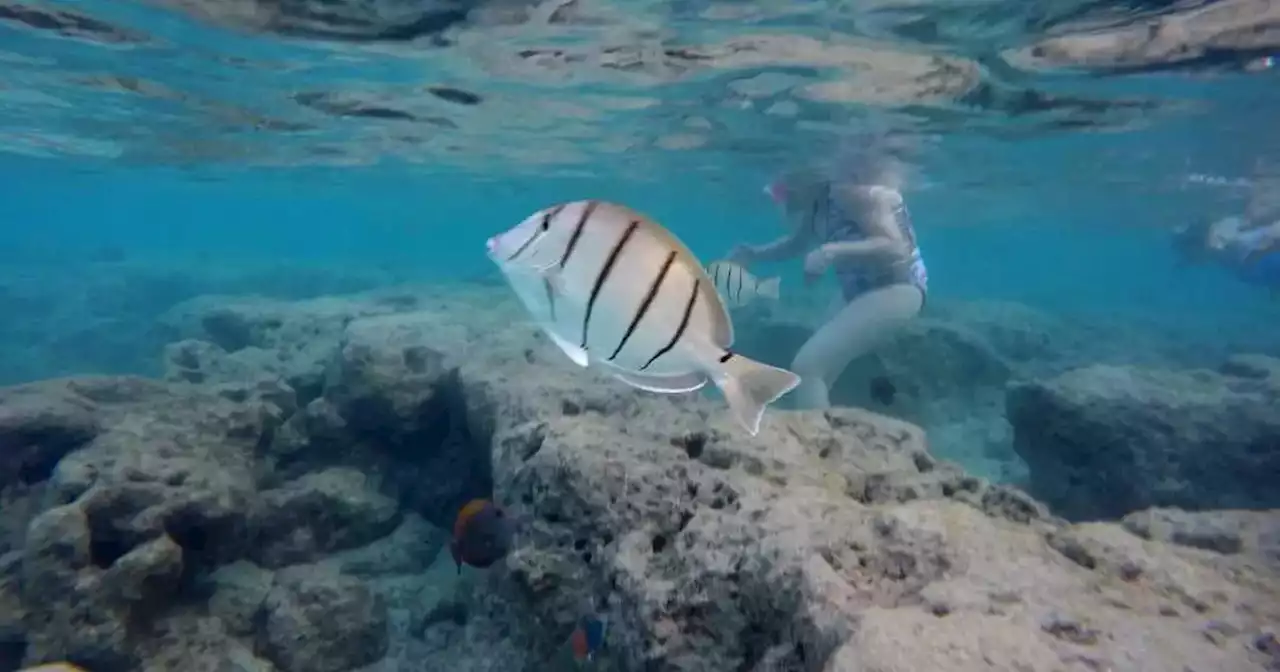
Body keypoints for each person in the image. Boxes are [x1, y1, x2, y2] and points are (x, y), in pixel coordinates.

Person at [726, 155, 928, 409]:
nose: (781, 200)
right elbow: (796, 244)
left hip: (896, 288)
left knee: (809, 365)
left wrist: (831, 250)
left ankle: (815, 440)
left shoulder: (852, 194)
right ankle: (821, 429)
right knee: (820, 365)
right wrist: (754, 253)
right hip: (858, 292)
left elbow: (896, 246)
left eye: (781, 191)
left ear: (802, 180)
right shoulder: (817, 206)